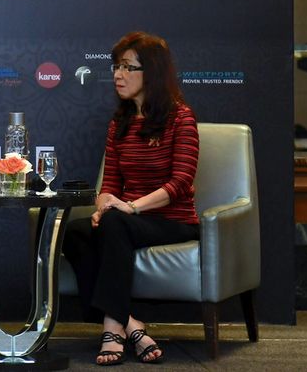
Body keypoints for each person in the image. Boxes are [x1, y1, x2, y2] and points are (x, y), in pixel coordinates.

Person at [62, 32, 200, 366]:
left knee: (114, 221)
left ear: (151, 73)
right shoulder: (119, 124)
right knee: (75, 232)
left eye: (128, 67)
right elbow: (109, 183)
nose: (118, 75)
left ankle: (112, 328)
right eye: (116, 67)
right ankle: (132, 324)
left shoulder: (181, 118)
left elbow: (180, 182)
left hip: (173, 220)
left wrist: (131, 206)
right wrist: (102, 208)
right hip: (126, 219)